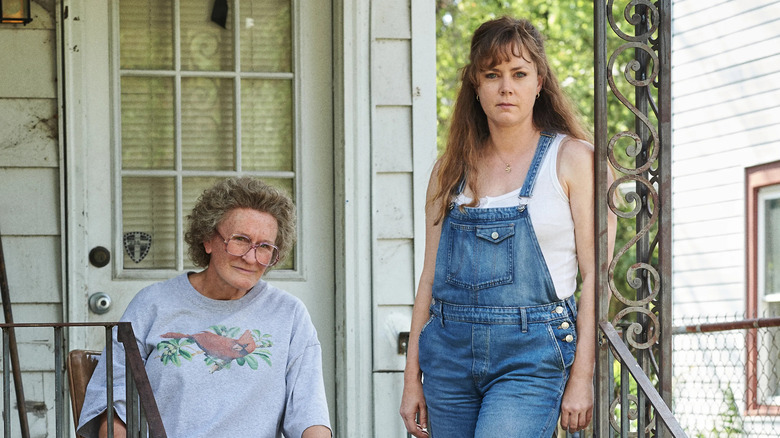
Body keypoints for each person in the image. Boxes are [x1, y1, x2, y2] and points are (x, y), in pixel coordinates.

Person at [399, 16, 615, 437]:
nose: (506, 87)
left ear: (539, 82)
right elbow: (429, 278)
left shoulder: (573, 160)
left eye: (519, 74)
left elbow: (594, 278)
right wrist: (411, 380)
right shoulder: (449, 171)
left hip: (532, 357)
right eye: (492, 75)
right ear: (475, 86)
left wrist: (581, 377)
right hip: (449, 355)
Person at [78, 177, 332, 438]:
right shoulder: (152, 304)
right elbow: (114, 402)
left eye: (264, 247)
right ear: (207, 240)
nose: (250, 257)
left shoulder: (289, 314)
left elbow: (309, 412)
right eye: (240, 240)